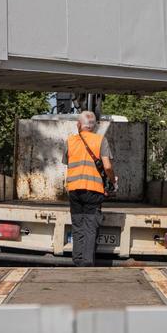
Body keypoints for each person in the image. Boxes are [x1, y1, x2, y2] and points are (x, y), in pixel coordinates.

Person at [63, 110, 116, 267]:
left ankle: (77, 260)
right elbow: (107, 166)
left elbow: (67, 162)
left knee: (78, 225)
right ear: (93, 126)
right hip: (93, 191)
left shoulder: (70, 141)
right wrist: (112, 180)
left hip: (74, 190)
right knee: (90, 227)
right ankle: (86, 262)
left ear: (79, 125)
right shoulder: (100, 140)